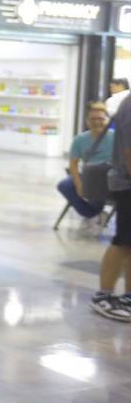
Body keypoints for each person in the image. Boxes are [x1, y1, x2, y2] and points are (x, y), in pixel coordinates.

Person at [92, 92, 131, 322]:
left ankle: (128, 296)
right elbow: (129, 154)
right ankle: (103, 295)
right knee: (123, 241)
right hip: (127, 184)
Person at [58, 102, 114, 235]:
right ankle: (92, 214)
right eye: (93, 119)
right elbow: (73, 165)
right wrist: (79, 185)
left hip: (109, 177)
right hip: (87, 175)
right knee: (64, 185)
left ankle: (93, 213)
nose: (97, 122)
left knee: (96, 190)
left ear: (107, 120)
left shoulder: (116, 137)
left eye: (100, 118)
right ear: (87, 121)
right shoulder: (80, 140)